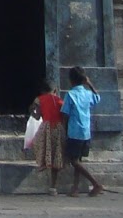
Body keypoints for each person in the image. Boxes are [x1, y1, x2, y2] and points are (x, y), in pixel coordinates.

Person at [61, 66, 106, 196]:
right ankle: (75, 188)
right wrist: (90, 84)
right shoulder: (87, 94)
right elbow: (97, 97)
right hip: (86, 132)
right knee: (78, 160)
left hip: (74, 132)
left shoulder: (70, 94)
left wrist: (64, 131)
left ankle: (96, 183)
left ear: (71, 80)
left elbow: (65, 114)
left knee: (73, 161)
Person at [29, 78, 65, 194]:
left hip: (47, 128)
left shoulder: (39, 100)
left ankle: (43, 162)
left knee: (37, 143)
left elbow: (38, 116)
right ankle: (53, 187)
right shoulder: (59, 100)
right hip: (59, 129)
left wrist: (32, 112)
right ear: (54, 90)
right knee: (57, 155)